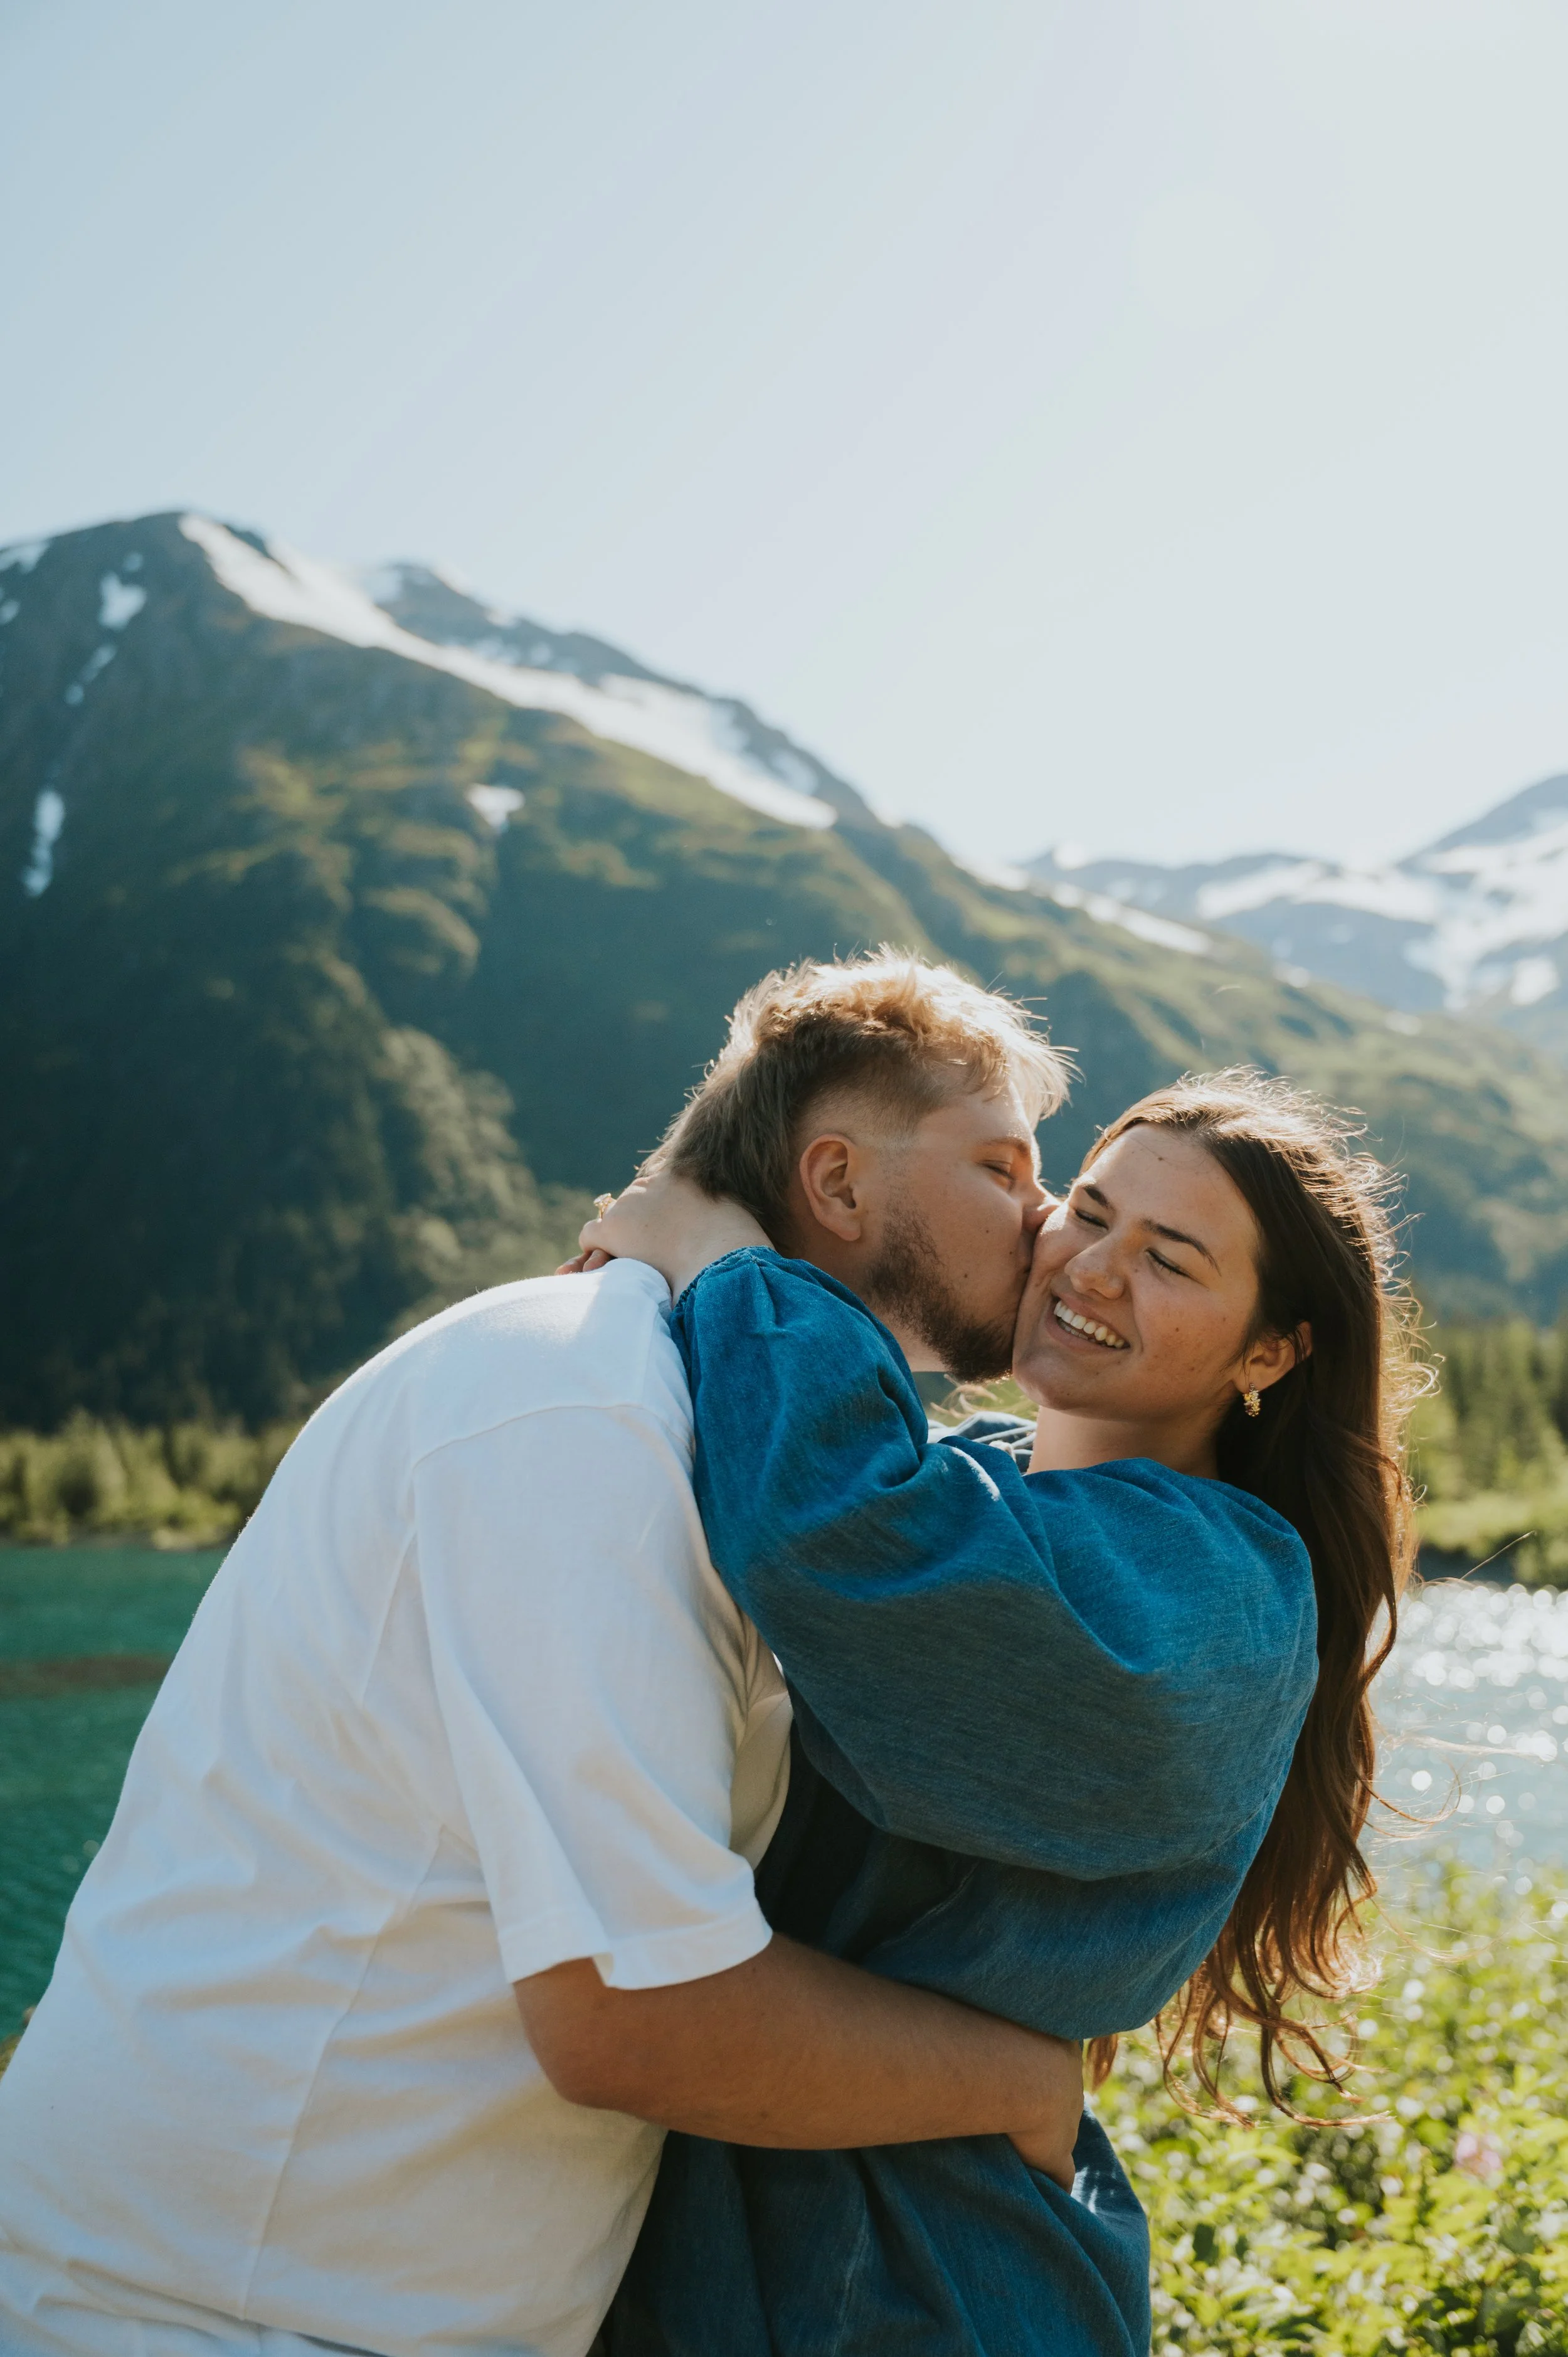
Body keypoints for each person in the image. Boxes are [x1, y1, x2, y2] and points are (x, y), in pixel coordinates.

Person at [0, 957, 1085, 2357]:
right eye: (1001, 1165)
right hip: (208, 2312)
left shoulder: (710, 1428)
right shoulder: (583, 1413)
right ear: (835, 1181)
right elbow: (634, 2015)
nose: (1047, 1218)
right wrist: (1017, 2081)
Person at [581, 1064, 1419, 2357]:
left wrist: (718, 1253)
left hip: (924, 2283)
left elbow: (843, 1537)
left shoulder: (1212, 1597)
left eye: (1169, 1259)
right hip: (751, 2253)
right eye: (1086, 1212)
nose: (1088, 1268)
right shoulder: (974, 1483)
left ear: (1268, 1350)